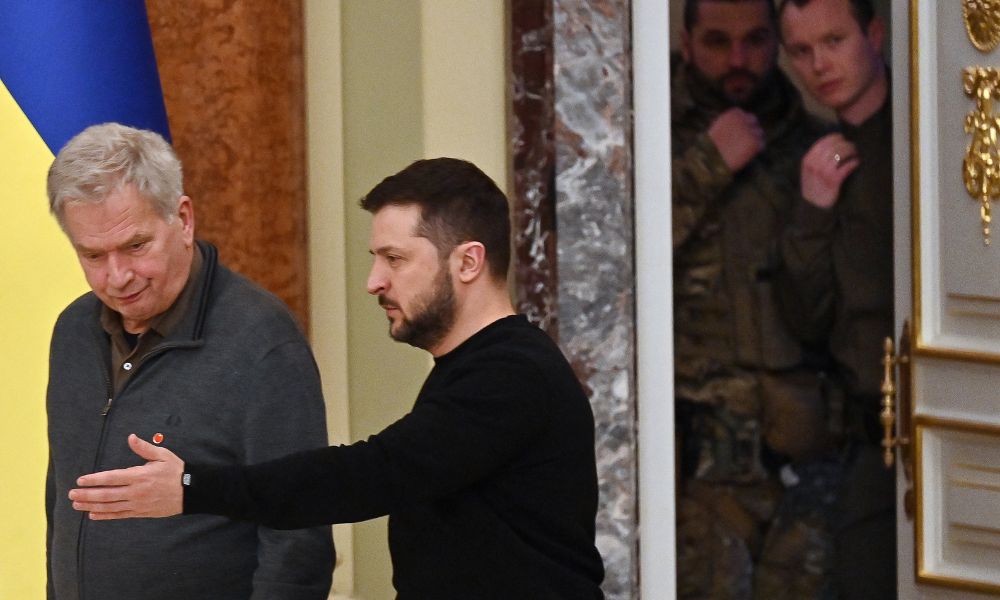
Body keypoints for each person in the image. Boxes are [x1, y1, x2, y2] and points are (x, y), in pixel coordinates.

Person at [67, 157, 607, 599]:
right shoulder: (475, 369)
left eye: (395, 259)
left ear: (467, 263)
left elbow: (372, 474)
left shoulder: (511, 374)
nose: (374, 281)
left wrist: (191, 486)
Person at [44, 122, 334, 600]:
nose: (117, 277)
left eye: (135, 246)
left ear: (183, 219)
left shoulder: (261, 340)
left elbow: (298, 535)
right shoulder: (73, 331)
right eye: (92, 255)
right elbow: (61, 503)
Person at [671, 1, 839, 598]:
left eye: (756, 41)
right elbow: (610, 258)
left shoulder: (812, 141)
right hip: (700, 457)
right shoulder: (646, 133)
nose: (738, 60)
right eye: (718, 42)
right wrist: (707, 165)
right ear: (687, 42)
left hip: (801, 446)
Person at [776, 0, 896, 598]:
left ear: (874, 34)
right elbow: (807, 318)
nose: (819, 64)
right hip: (867, 429)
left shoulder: (919, 139)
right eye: (801, 51)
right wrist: (812, 209)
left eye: (834, 41)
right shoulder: (821, 157)